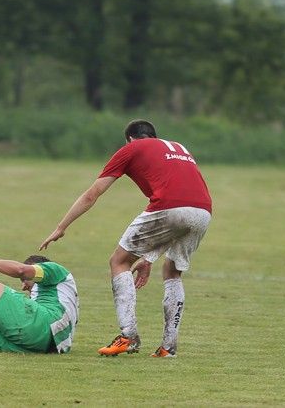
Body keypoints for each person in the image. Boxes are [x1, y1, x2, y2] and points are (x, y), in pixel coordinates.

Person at [39, 119, 212, 358]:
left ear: (130, 139)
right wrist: (149, 258)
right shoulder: (179, 148)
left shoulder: (131, 148)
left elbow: (92, 194)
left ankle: (128, 336)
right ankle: (168, 348)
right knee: (172, 272)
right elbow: (180, 212)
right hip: (203, 211)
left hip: (169, 207)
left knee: (119, 261)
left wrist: (61, 227)